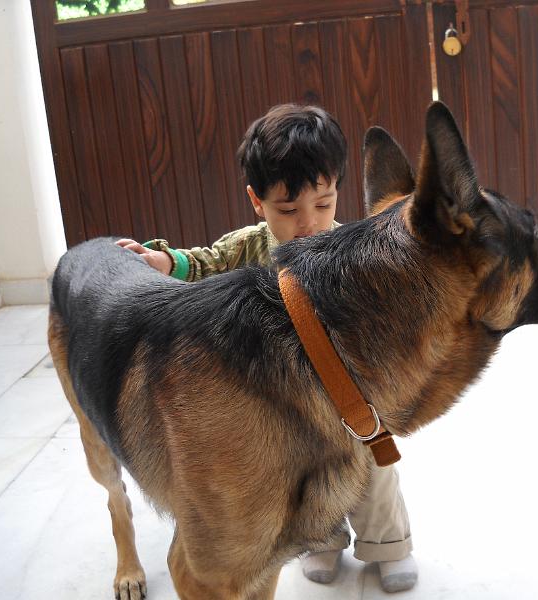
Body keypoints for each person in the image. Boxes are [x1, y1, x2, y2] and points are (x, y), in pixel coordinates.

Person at [117, 103, 418, 593]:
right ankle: (321, 544)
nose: (309, 222)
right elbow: (204, 262)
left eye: (323, 203)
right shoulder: (249, 246)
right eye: (288, 210)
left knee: (373, 476)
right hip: (283, 407)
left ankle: (390, 547)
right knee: (306, 486)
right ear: (257, 201)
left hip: (351, 401)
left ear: (338, 189)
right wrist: (163, 262)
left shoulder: (350, 249)